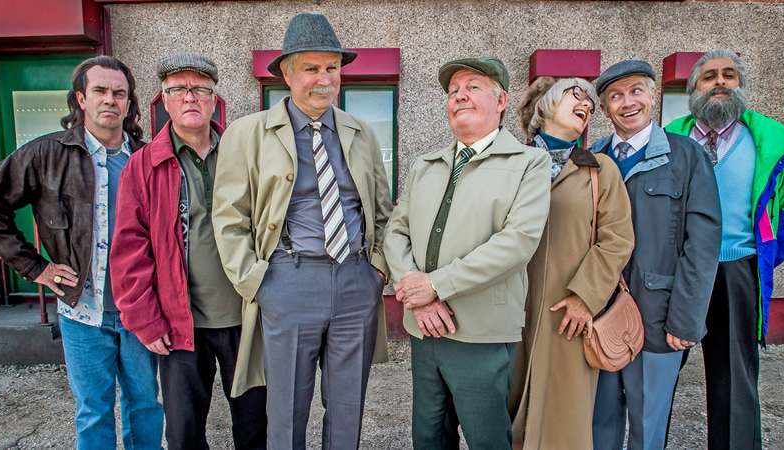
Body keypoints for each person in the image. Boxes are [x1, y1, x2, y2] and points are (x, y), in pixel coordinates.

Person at [210, 13, 393, 449]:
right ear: (287, 74)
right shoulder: (248, 132)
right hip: (287, 281)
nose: (324, 79)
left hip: (355, 281)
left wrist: (378, 272)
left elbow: (383, 212)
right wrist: (258, 282)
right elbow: (228, 217)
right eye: (311, 69)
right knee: (286, 413)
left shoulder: (361, 132)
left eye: (332, 68)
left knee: (349, 409)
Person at [0, 56, 163, 449]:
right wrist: (34, 267)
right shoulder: (46, 155)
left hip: (140, 311)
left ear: (128, 103)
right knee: (93, 411)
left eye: (119, 93)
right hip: (82, 311)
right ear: (81, 98)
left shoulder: (145, 159)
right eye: (100, 91)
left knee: (144, 405)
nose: (110, 99)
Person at [384, 57, 551, 449]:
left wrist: (436, 286)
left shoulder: (530, 163)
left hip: (482, 334)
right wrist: (416, 295)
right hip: (424, 329)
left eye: (472, 86)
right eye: (453, 90)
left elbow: (518, 241)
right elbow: (395, 230)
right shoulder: (424, 166)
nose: (459, 94)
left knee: (487, 440)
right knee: (428, 438)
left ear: (502, 100)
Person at [111, 53, 268, 449]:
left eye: (200, 89)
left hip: (245, 318)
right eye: (178, 89)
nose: (190, 98)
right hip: (180, 323)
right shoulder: (143, 165)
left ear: (214, 98)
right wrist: (145, 320)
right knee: (183, 433)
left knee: (254, 425)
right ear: (164, 100)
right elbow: (130, 249)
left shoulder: (244, 153)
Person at [665, 49, 784, 450]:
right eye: (709, 76)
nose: (720, 82)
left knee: (735, 379)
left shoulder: (771, 144)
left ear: (741, 86)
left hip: (737, 272)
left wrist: (749, 263)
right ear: (693, 89)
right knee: (660, 371)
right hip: (677, 271)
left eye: (729, 75)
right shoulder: (668, 138)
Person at [588, 60, 721, 450]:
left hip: (659, 318)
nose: (627, 102)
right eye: (615, 96)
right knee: (599, 423)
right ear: (604, 108)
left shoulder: (686, 156)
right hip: (599, 315)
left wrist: (687, 320)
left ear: (652, 96)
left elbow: (703, 244)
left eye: (635, 92)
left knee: (648, 428)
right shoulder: (592, 159)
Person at [507, 76, 634, 449]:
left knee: (565, 421)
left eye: (591, 104)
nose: (587, 105)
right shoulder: (510, 163)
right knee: (504, 414)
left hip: (567, 316)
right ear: (544, 105)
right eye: (576, 94)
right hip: (508, 311)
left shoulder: (600, 169)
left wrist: (585, 297)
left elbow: (617, 240)